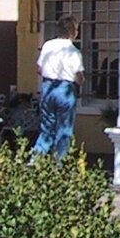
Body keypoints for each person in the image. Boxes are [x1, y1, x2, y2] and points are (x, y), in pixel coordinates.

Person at [35, 15, 85, 160]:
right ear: (73, 32)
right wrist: (80, 81)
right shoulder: (74, 52)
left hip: (48, 87)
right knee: (64, 131)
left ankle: (35, 161)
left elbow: (39, 69)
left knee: (46, 129)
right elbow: (79, 77)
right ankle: (59, 163)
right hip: (65, 89)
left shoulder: (48, 46)